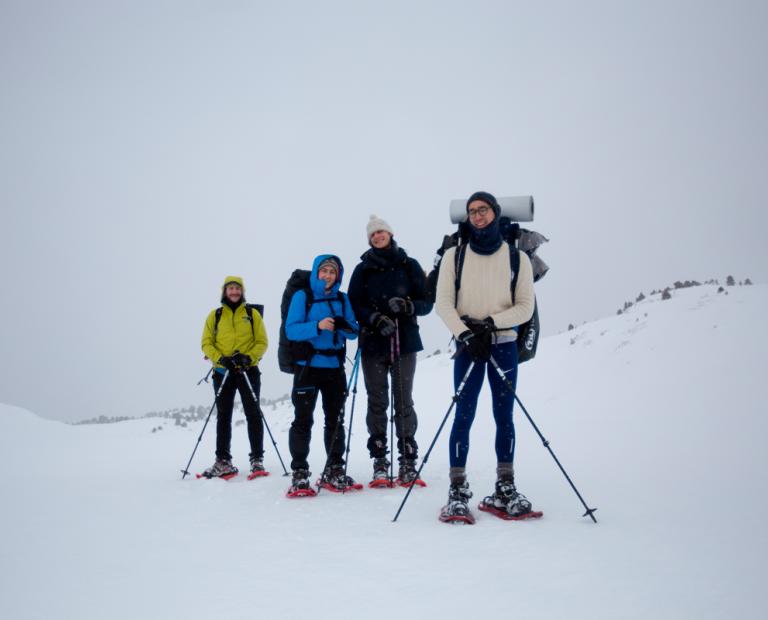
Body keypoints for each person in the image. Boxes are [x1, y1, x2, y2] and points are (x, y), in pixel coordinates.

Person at [435, 191, 536, 522]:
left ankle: (505, 488)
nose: (477, 216)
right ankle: (457, 490)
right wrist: (466, 334)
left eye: (484, 210)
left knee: (503, 414)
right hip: (468, 346)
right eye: (472, 211)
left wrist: (492, 325)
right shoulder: (455, 256)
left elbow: (524, 307)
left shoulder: (517, 258)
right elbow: (444, 303)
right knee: (463, 413)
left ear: (495, 213)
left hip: (503, 342)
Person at [348, 215, 433, 486]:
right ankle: (379, 459)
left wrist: (408, 306)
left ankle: (407, 459)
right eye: (373, 235)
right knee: (377, 400)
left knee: (403, 398)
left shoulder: (409, 265)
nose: (377, 236)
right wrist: (373, 318)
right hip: (373, 343)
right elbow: (353, 304)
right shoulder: (362, 269)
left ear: (390, 234)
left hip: (404, 340)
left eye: (381, 232)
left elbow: (426, 302)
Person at [285, 254, 360, 494]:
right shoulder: (302, 296)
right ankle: (299, 471)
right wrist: (317, 326)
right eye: (324, 271)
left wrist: (344, 326)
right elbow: (291, 330)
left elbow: (353, 331)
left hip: (334, 368)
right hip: (307, 366)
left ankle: (335, 469)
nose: (328, 275)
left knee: (335, 420)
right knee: (303, 420)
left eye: (333, 272)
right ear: (317, 272)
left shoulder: (342, 298)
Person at [200, 276, 269, 479]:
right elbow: (206, 343)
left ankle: (257, 459)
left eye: (237, 288)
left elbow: (262, 342)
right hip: (223, 372)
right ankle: (223, 460)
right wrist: (221, 359)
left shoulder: (252, 313)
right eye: (230, 288)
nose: (234, 292)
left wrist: (248, 357)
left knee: (253, 414)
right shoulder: (215, 315)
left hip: (248, 370)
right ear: (224, 291)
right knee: (224, 415)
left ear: (242, 291)